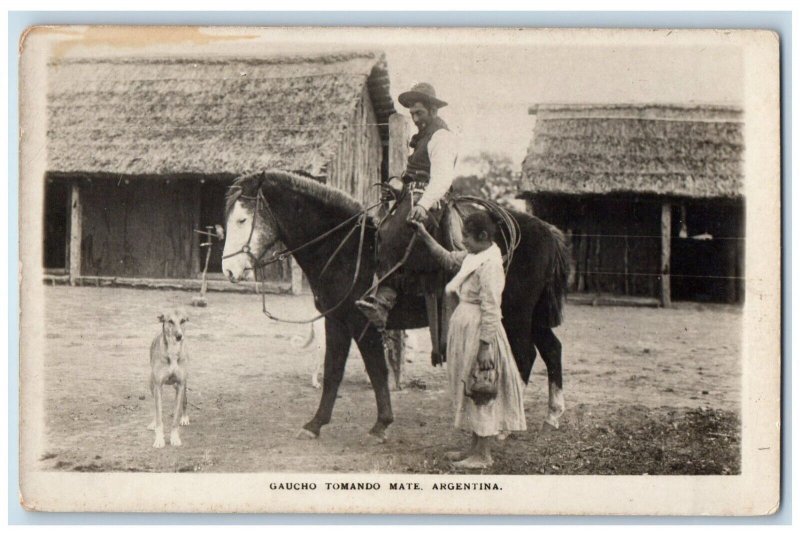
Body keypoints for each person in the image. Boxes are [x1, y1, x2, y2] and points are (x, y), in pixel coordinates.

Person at [412, 212, 526, 469]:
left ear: (483, 237)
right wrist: (423, 234)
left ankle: (483, 454)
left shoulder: (490, 265)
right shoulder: (474, 257)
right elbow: (448, 258)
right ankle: (474, 447)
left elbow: (491, 308)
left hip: (480, 333)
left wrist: (486, 347)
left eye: (467, 237)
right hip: (467, 329)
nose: (462, 241)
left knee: (481, 388)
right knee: (471, 387)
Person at [355, 82, 458, 330]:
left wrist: (423, 205)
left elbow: (442, 178)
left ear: (433, 110)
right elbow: (414, 174)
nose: (415, 118)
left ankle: (384, 302)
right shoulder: (422, 138)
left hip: (431, 202)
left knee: (392, 236)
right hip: (410, 198)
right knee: (377, 228)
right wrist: (398, 183)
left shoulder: (441, 137)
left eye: (419, 112)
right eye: (412, 113)